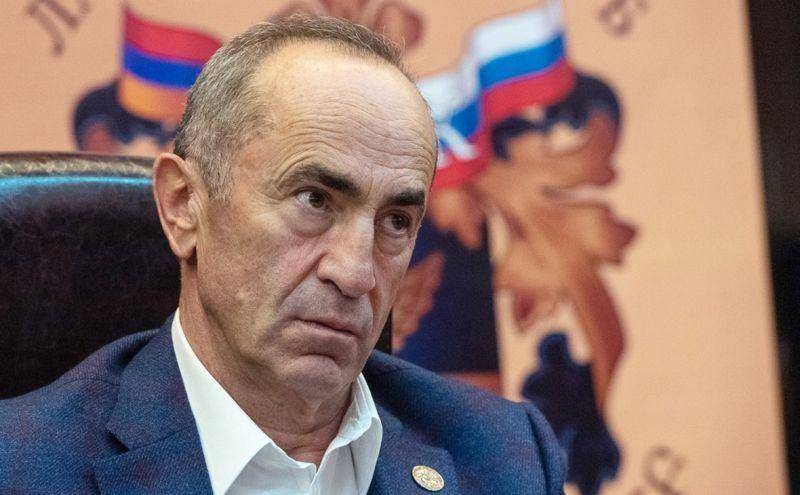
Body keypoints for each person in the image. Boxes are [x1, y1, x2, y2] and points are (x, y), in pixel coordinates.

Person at [0, 16, 565, 494]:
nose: (355, 273)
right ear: (183, 206)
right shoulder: (23, 467)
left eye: (396, 221)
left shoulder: (504, 458)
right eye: (314, 200)